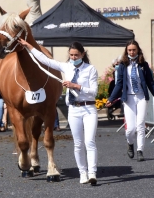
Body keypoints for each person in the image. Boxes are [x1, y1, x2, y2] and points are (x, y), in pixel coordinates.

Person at [18, 38, 98, 185]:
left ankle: (92, 172)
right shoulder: (66, 67)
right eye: (71, 55)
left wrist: (75, 85)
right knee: (78, 143)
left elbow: (93, 92)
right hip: (74, 110)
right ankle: (83, 173)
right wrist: (28, 46)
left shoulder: (90, 69)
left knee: (90, 142)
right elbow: (44, 59)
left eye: (76, 55)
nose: (73, 58)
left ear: (82, 54)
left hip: (89, 108)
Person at [105, 40, 154, 162]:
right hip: (129, 98)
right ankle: (130, 143)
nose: (132, 52)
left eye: (134, 50)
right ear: (127, 51)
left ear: (138, 50)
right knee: (130, 129)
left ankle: (140, 151)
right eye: (129, 50)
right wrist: (111, 99)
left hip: (141, 97)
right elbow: (119, 84)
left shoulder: (143, 65)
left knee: (140, 125)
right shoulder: (122, 65)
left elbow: (150, 84)